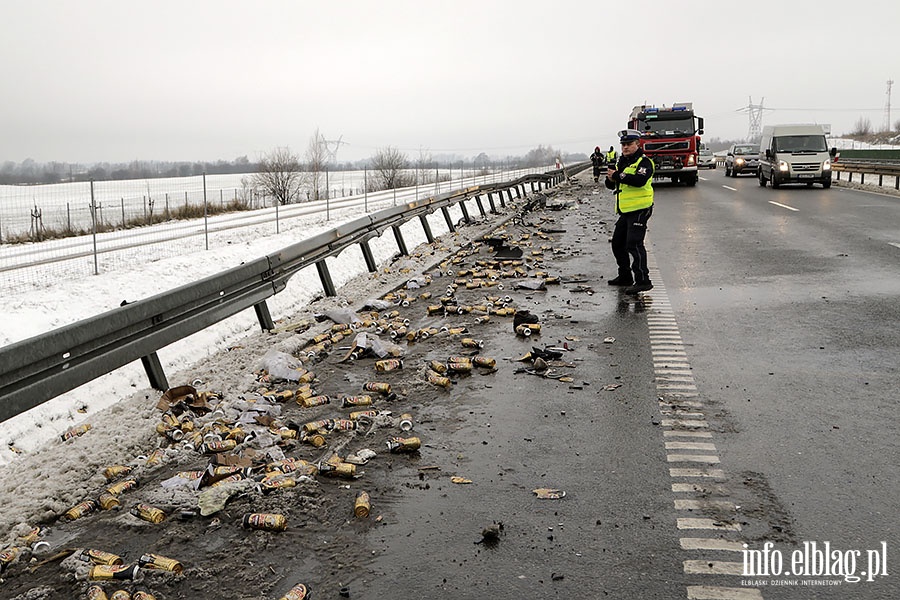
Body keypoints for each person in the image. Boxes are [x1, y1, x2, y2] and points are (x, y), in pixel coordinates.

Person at [605, 129, 654, 294]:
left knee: (633, 244)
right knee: (618, 244)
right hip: (625, 210)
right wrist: (610, 179)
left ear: (637, 144)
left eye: (628, 144)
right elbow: (613, 185)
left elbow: (639, 181)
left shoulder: (644, 162)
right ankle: (625, 276)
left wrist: (618, 176)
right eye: (623, 144)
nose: (625, 147)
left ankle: (643, 280)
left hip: (640, 209)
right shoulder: (622, 162)